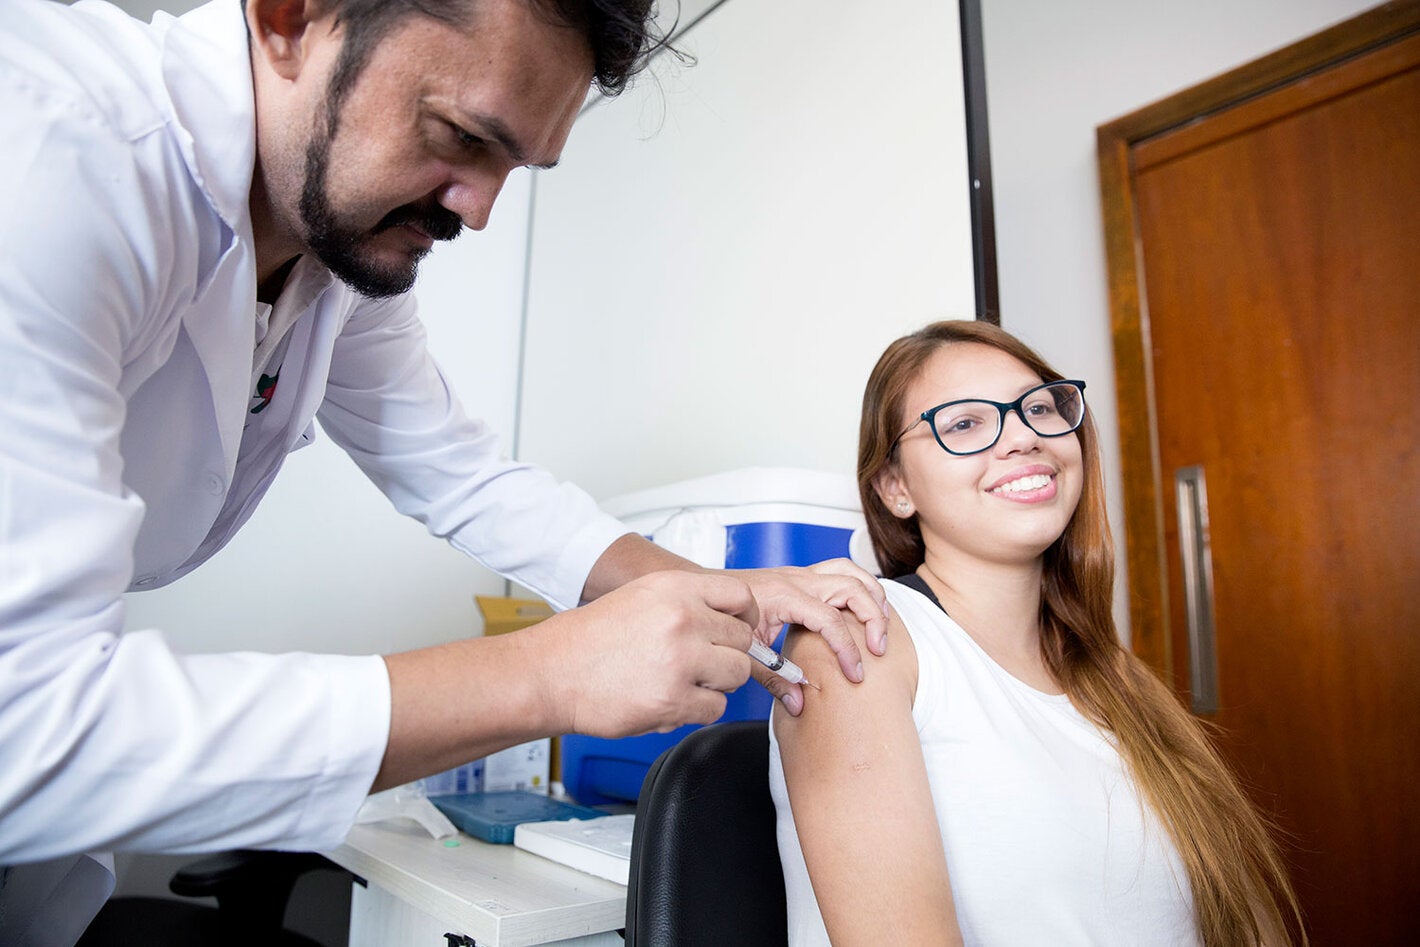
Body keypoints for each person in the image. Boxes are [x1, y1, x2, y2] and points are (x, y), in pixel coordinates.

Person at [0, 0, 890, 929]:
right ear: (290, 21)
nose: (478, 208)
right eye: (461, 136)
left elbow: (457, 469)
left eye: (514, 166)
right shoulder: (50, 152)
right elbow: (23, 721)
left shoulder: (334, 253)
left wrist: (723, 593)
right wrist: (547, 675)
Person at [768, 320, 1304, 945]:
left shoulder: (1118, 677)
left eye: (1041, 408)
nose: (1023, 436)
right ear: (895, 488)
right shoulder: (858, 643)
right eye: (964, 422)